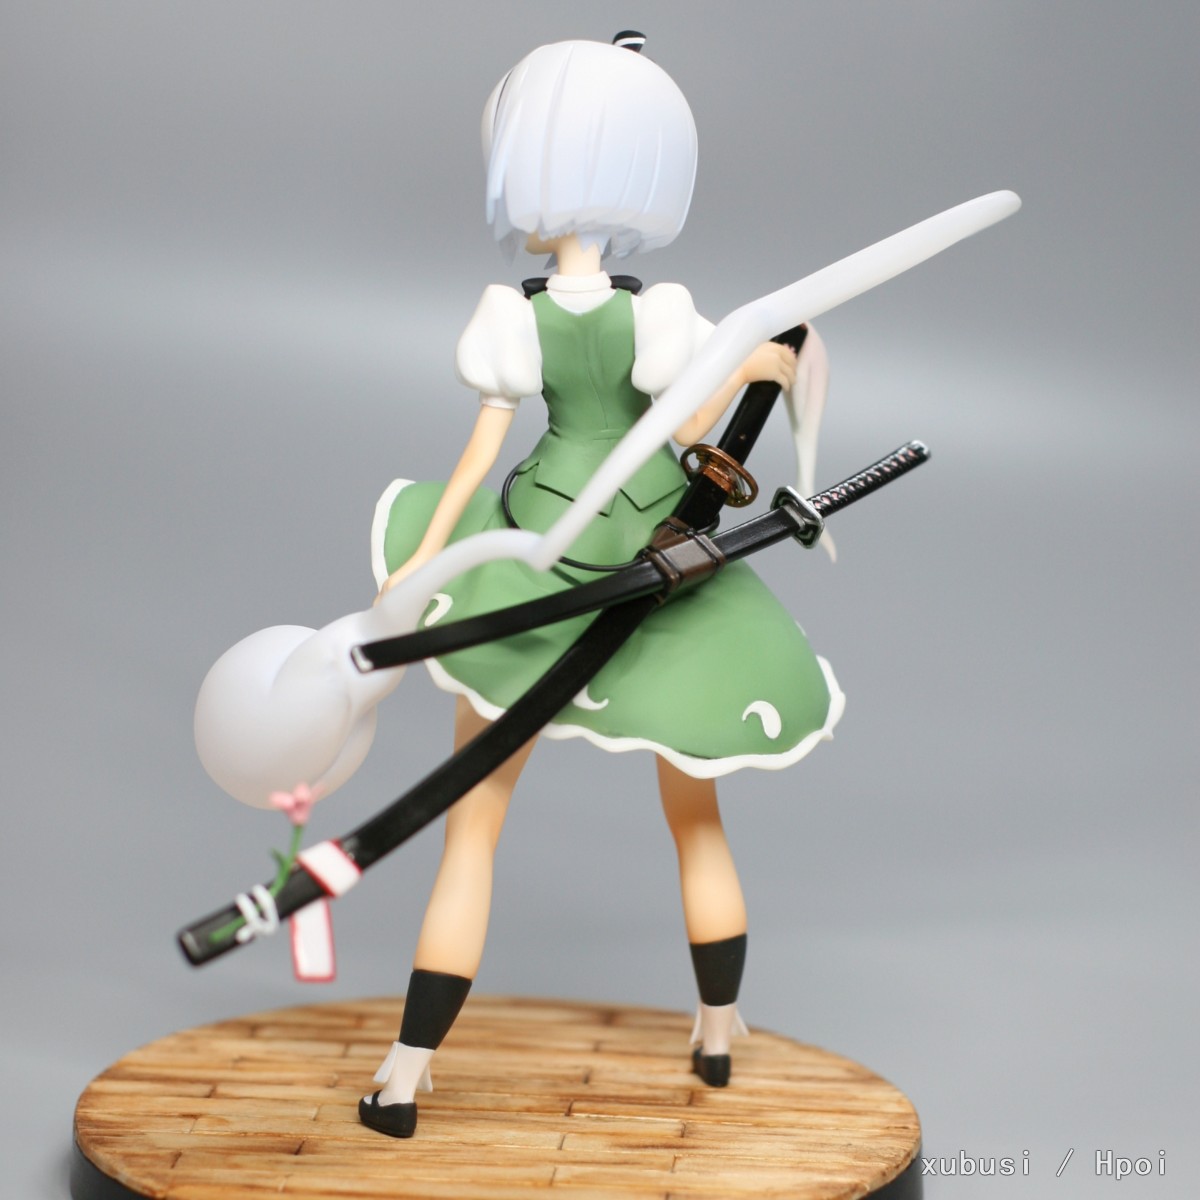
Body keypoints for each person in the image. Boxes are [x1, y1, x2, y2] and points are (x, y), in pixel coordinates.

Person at [359, 35, 843, 1139]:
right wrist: (758, 364)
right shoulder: (656, 314)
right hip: (651, 546)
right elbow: (684, 429)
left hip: (556, 540)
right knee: (695, 816)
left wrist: (429, 562)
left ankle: (404, 1073)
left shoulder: (514, 315)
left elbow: (482, 458)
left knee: (474, 823)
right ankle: (716, 1033)